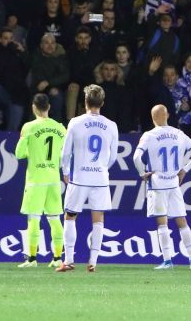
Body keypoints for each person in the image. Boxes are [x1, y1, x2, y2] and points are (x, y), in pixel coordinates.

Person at [133, 104, 191, 270]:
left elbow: (137, 157)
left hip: (157, 183)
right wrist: (185, 169)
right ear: (167, 116)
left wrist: (142, 173)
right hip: (174, 182)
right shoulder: (178, 133)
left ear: (152, 118)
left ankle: (167, 260)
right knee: (182, 221)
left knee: (162, 223)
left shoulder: (149, 135)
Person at [56, 84, 118, 273]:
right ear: (103, 103)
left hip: (80, 176)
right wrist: (101, 169)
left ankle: (68, 260)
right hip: (100, 177)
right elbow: (113, 156)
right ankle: (93, 262)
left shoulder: (75, 122)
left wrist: (66, 171)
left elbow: (65, 152)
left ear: (85, 102)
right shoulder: (111, 125)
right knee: (98, 218)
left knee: (70, 216)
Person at [15, 93, 67, 268]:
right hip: (54, 179)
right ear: (49, 107)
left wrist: (32, 152)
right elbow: (65, 154)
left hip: (36, 179)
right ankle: (58, 258)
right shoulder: (60, 128)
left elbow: (19, 154)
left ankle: (32, 258)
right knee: (55, 219)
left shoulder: (29, 127)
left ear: (33, 108)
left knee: (34, 219)